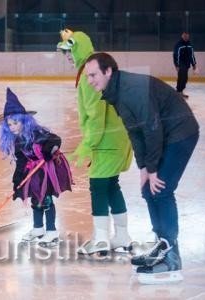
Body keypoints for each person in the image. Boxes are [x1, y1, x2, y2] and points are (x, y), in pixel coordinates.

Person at [84, 52, 199, 284]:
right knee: (149, 190)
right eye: (87, 76)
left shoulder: (130, 90)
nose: (90, 80)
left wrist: (154, 168)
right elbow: (134, 132)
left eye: (93, 74)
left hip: (181, 132)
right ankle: (162, 245)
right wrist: (144, 168)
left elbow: (152, 128)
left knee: (161, 189)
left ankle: (172, 256)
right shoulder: (115, 92)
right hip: (165, 134)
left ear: (108, 71)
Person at [57, 29, 134, 256]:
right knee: (111, 185)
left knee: (98, 187)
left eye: (70, 51)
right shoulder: (94, 68)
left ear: (79, 48)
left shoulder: (87, 75)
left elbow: (96, 112)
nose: (68, 57)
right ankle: (121, 235)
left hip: (106, 139)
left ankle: (101, 239)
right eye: (65, 53)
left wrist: (89, 143)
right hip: (117, 137)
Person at [0, 88, 73, 247]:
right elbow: (21, 161)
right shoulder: (17, 140)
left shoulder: (37, 133)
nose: (12, 127)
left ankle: (51, 231)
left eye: (15, 123)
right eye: (9, 124)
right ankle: (38, 228)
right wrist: (17, 180)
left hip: (47, 170)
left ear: (24, 120)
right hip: (34, 171)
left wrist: (47, 151)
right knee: (36, 199)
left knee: (46, 200)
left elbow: (55, 140)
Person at [173, 32, 197, 98]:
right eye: (185, 36)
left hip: (187, 64)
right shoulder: (178, 45)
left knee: (184, 78)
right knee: (182, 77)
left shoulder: (189, 45)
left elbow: (192, 55)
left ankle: (180, 92)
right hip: (180, 64)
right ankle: (179, 92)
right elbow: (176, 56)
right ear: (182, 36)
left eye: (187, 36)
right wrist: (176, 65)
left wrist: (194, 64)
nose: (186, 37)